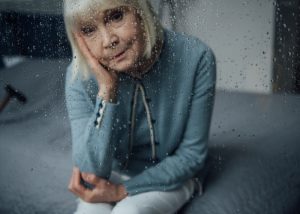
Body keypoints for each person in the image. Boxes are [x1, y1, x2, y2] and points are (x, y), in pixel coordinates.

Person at [64, 0, 216, 213]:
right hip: (112, 174)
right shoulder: (78, 76)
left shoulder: (197, 57)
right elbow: (91, 171)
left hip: (175, 176)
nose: (108, 40)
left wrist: (123, 190)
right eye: (89, 30)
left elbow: (191, 156)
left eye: (116, 16)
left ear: (140, 10)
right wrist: (107, 90)